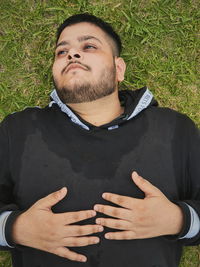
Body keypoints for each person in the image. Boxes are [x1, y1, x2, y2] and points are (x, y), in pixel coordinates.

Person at [0, 13, 199, 267]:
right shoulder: (18, 130)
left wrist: (178, 220)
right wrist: (14, 229)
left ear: (118, 69)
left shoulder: (175, 129)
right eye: (62, 52)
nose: (72, 54)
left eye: (88, 46)